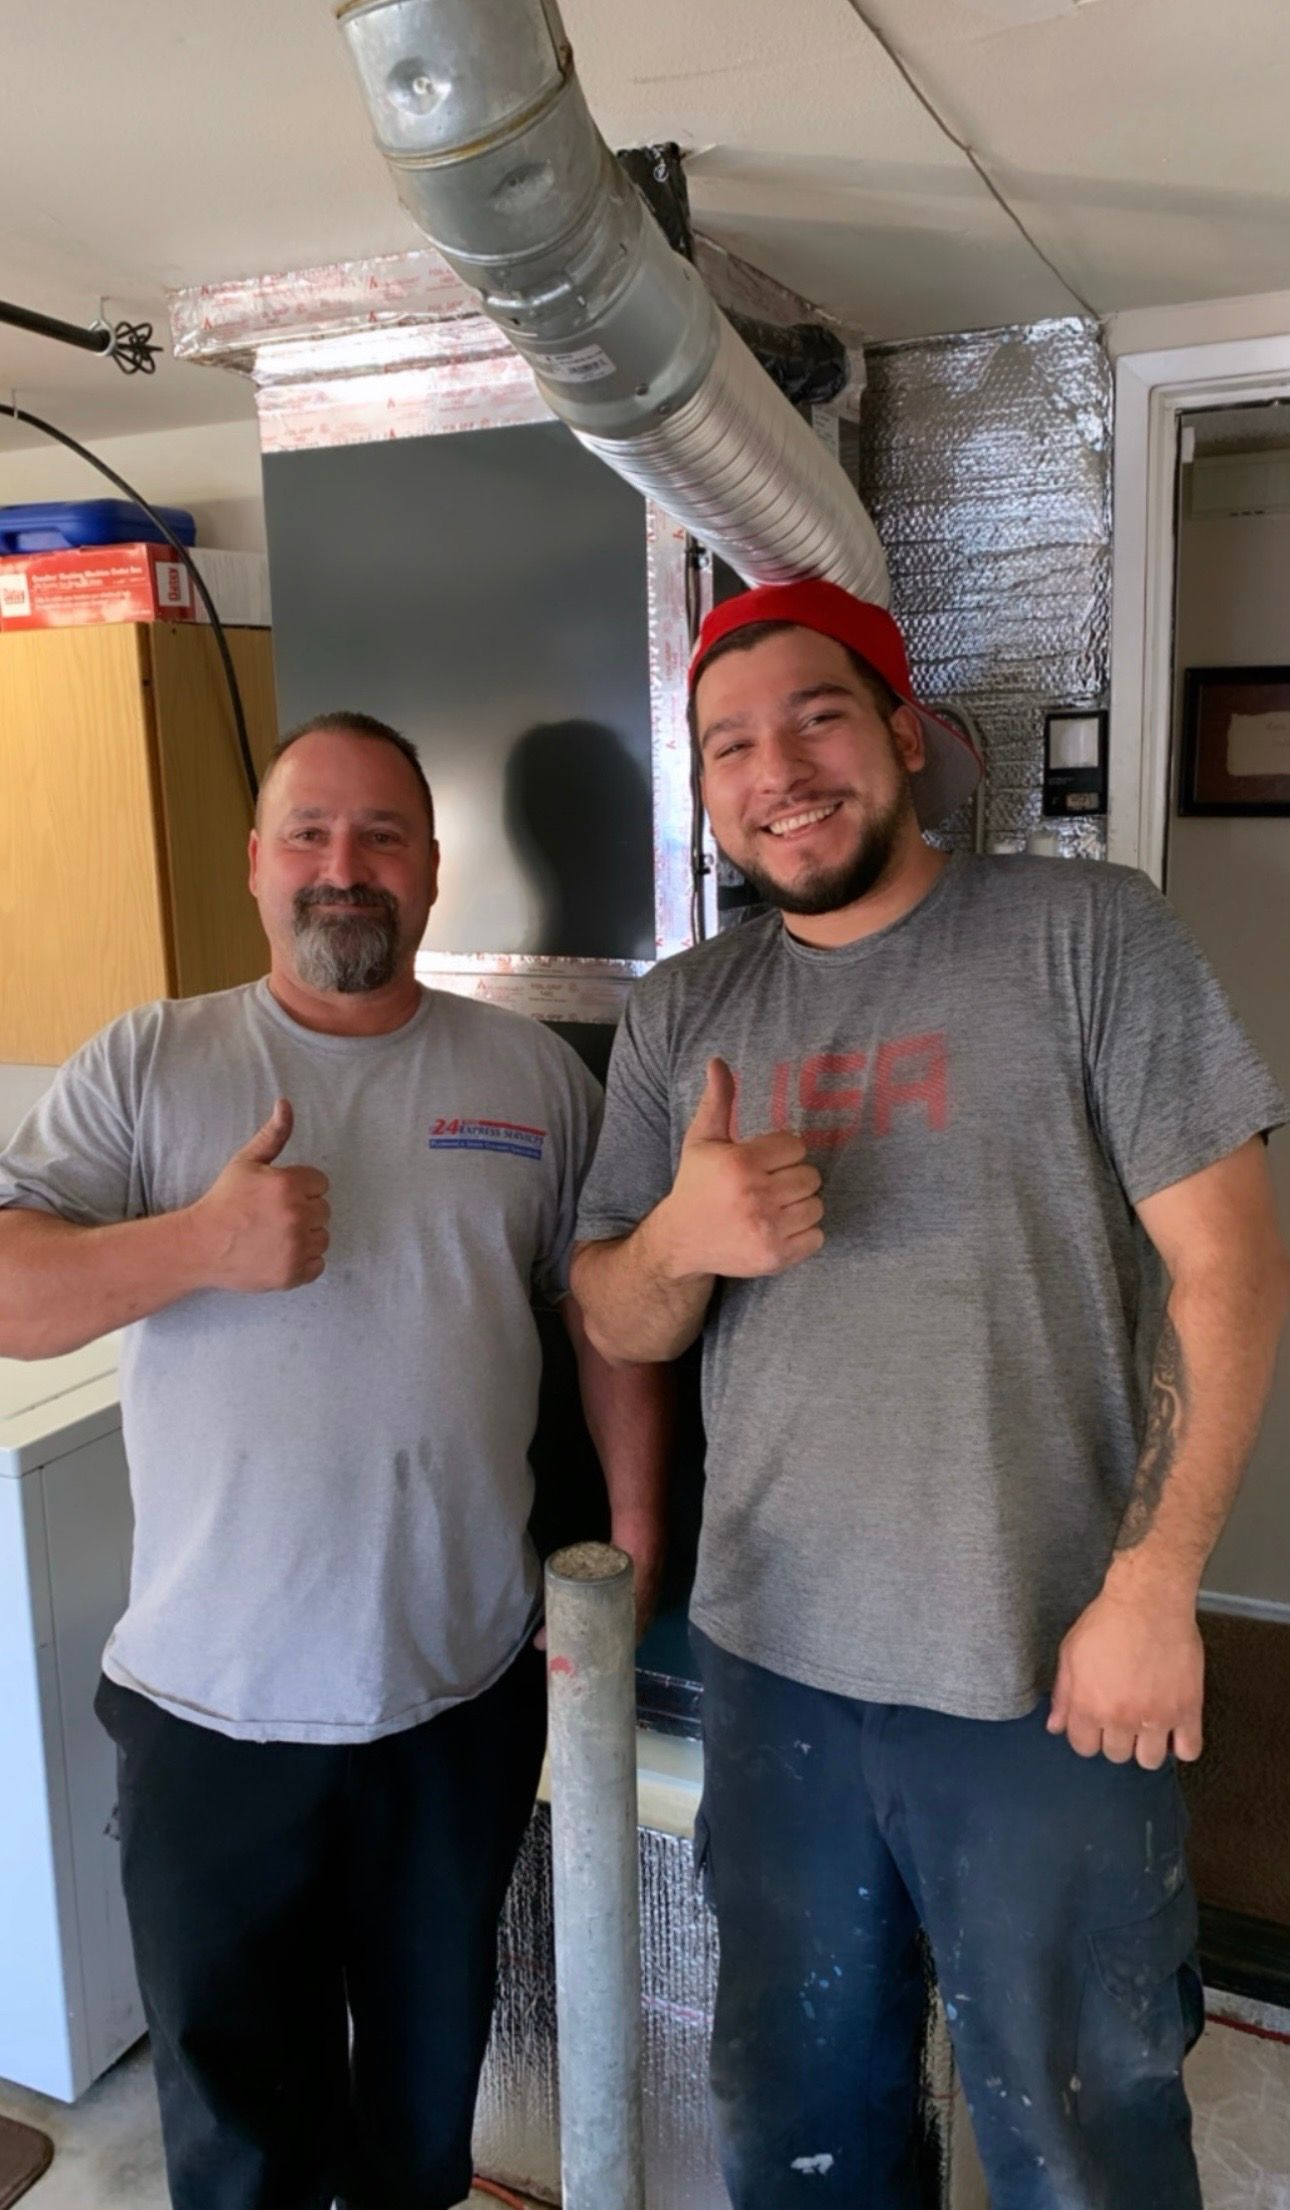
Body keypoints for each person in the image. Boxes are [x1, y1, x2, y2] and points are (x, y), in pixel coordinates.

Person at [569, 580, 1290, 2210]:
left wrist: (1154, 1585)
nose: (778, 769)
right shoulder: (682, 1012)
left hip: (1042, 1664)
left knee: (1081, 2130)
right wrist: (679, 1238)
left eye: (818, 717)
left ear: (904, 735)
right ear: (706, 789)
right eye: (730, 744)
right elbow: (610, 1309)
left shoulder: (1085, 933)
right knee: (799, 2121)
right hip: (771, 1667)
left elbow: (1231, 1266)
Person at [0, 709, 668, 2210]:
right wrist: (197, 1244)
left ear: (431, 869)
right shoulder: (152, 1060)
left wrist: (628, 1543)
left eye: (380, 835)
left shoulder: (532, 1078)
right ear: (255, 862)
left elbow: (608, 1322)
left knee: (422, 2126)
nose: (341, 866)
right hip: (208, 1720)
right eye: (308, 832)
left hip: (455, 1704)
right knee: (239, 2146)